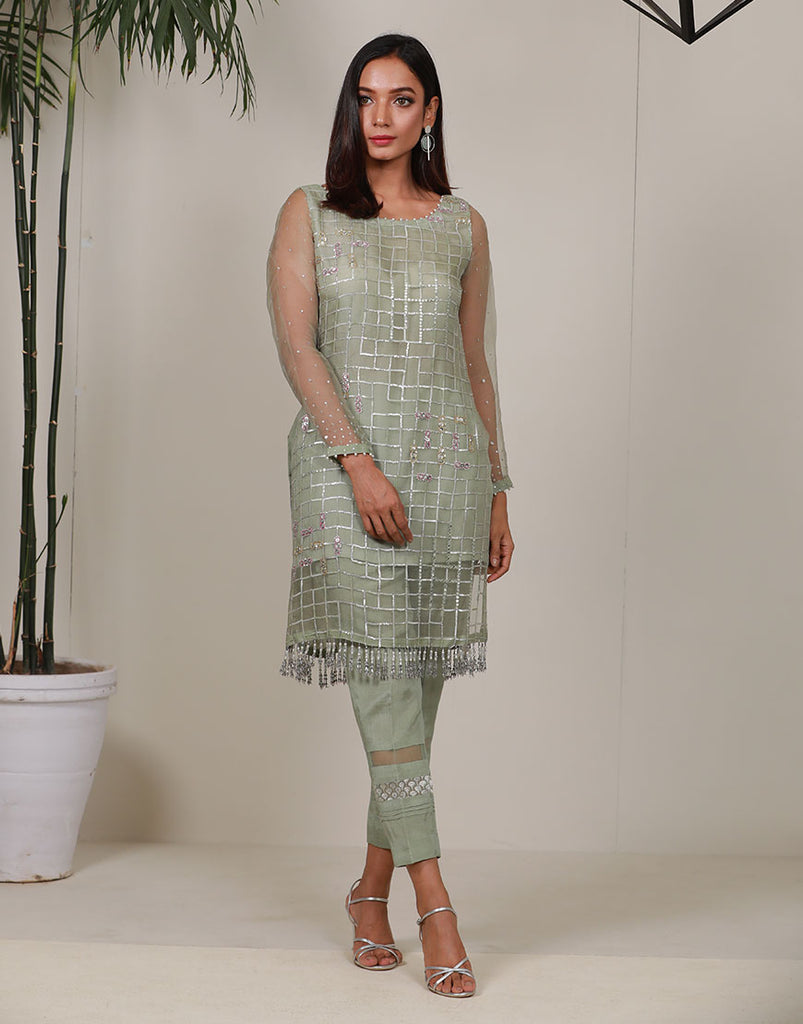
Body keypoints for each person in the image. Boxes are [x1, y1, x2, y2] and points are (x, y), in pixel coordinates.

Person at [266, 32, 514, 998]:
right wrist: (358, 463)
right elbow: (299, 348)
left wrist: (497, 489)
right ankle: (434, 903)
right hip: (342, 471)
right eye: (365, 97)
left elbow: (475, 363)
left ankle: (367, 891)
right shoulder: (309, 212)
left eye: (401, 98)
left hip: (448, 473)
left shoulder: (462, 226)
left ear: (429, 112)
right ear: (350, 108)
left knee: (413, 696)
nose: (380, 115)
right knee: (382, 682)